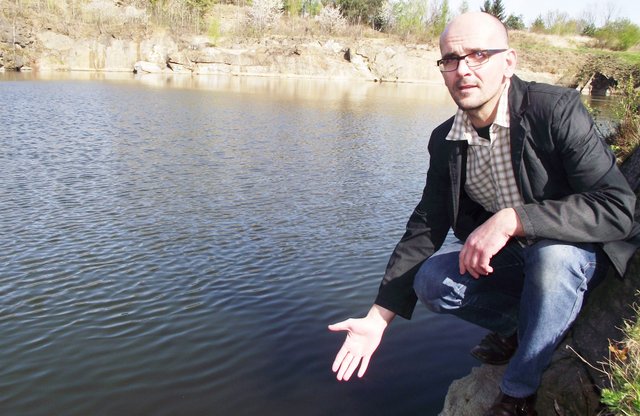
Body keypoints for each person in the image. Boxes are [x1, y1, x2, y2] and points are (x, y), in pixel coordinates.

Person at [328, 11, 640, 416]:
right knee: (433, 280)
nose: (463, 70)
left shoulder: (554, 110)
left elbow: (618, 209)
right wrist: (377, 318)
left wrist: (514, 218)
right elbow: (426, 226)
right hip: (517, 262)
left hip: (579, 256)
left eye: (478, 55)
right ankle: (523, 327)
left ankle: (518, 392)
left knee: (553, 258)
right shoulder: (446, 140)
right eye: (451, 60)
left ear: (508, 62)